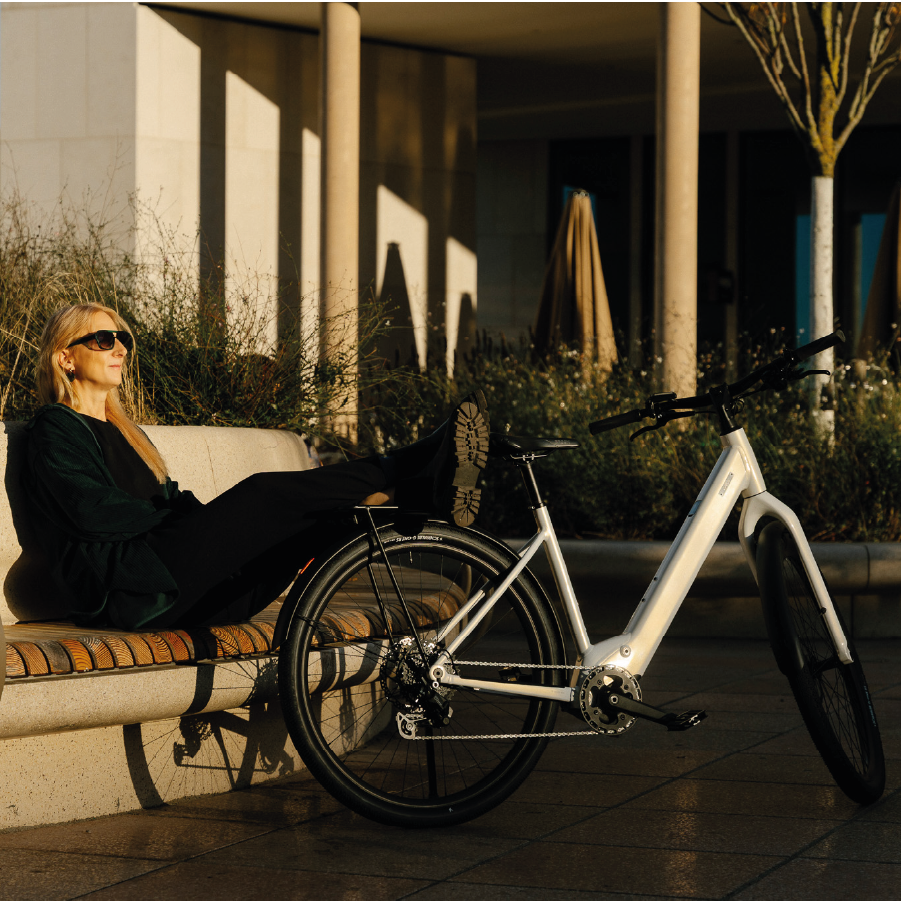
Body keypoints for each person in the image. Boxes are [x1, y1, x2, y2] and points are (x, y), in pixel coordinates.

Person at [22, 303, 489, 632]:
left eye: (123, 339)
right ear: (66, 357)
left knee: (323, 523)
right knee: (264, 493)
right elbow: (93, 511)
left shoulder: (129, 433)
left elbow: (169, 499)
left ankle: (423, 499)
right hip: (129, 593)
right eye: (104, 339)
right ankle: (409, 460)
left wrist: (212, 527)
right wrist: (205, 526)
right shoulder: (54, 428)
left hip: (196, 594)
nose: (119, 348)